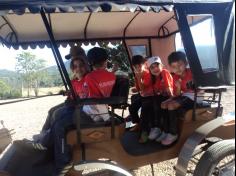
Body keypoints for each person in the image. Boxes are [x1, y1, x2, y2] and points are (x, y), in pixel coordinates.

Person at [38, 47, 116, 176]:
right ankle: (46, 142)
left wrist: (79, 98)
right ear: (105, 61)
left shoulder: (90, 77)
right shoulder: (105, 75)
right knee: (56, 115)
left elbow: (88, 96)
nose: (77, 68)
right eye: (74, 65)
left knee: (59, 122)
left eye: (80, 64)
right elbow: (90, 92)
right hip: (93, 110)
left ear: (88, 62)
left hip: (91, 112)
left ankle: (61, 162)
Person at [161, 51, 204, 146]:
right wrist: (179, 87)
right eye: (174, 67)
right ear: (171, 68)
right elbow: (177, 94)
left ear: (186, 63)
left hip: (195, 97)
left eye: (180, 65)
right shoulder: (175, 77)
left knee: (171, 106)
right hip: (185, 96)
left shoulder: (192, 73)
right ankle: (166, 130)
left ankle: (173, 133)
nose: (178, 69)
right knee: (164, 104)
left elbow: (200, 87)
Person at [143, 56, 174, 143]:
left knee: (157, 102)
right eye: (152, 67)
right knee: (149, 102)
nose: (155, 69)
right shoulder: (155, 78)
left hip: (170, 95)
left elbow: (169, 88)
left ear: (162, 66)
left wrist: (172, 98)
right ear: (149, 70)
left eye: (157, 66)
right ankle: (156, 128)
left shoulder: (164, 72)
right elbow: (155, 91)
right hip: (163, 96)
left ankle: (162, 129)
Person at [128, 55, 150, 132]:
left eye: (140, 66)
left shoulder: (148, 74)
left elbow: (143, 89)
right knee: (132, 107)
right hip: (143, 95)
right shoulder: (137, 75)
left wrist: (139, 78)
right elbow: (138, 88)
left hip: (150, 96)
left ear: (144, 64)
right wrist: (135, 89)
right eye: (135, 67)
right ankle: (138, 124)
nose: (138, 68)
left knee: (144, 108)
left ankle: (144, 128)